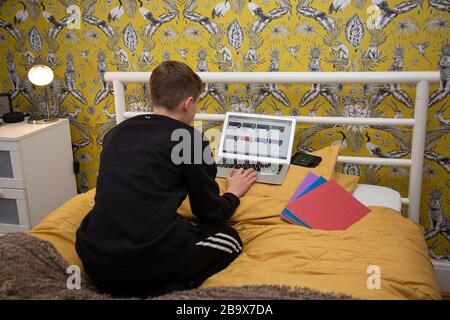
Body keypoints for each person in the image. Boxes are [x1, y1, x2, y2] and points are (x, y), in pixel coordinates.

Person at [75, 61, 257, 297]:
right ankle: (169, 289)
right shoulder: (190, 140)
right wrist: (233, 193)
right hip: (143, 264)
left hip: (95, 260)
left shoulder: (115, 133)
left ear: (154, 95)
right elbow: (210, 213)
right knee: (230, 240)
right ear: (188, 103)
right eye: (197, 102)